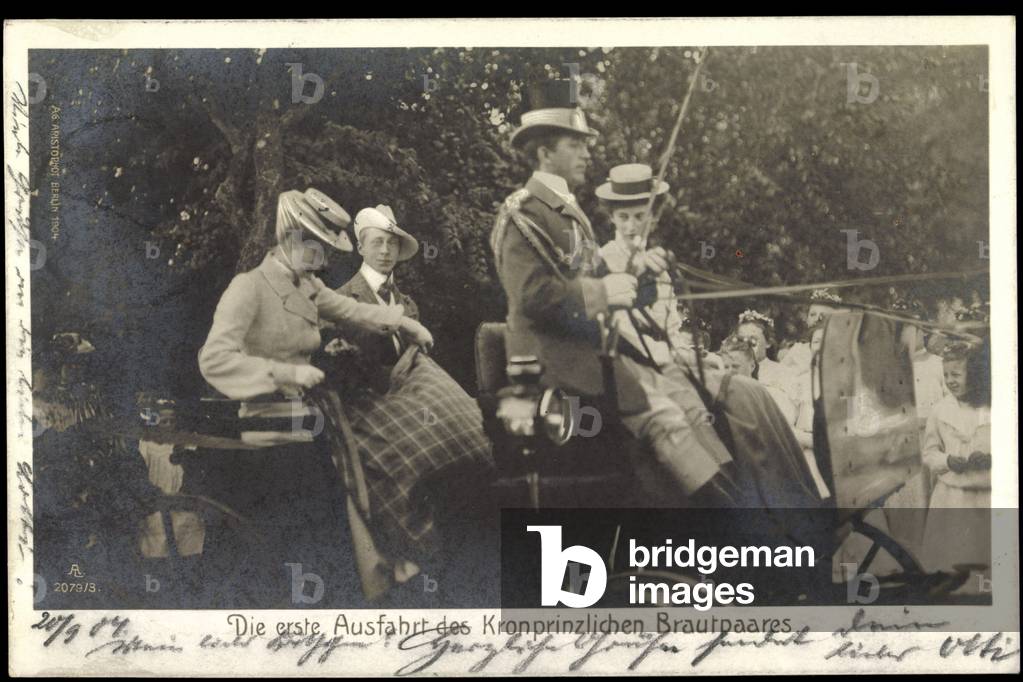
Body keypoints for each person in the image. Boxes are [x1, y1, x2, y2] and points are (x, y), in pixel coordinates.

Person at [491, 85, 822, 510]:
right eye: (575, 145)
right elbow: (531, 296)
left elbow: (600, 286)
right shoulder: (524, 212)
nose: (588, 153)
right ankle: (725, 517)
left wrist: (639, 278)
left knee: (688, 405)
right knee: (664, 415)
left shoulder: (566, 212)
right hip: (555, 360)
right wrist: (603, 290)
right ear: (544, 153)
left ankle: (744, 502)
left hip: (592, 353)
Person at [196, 188, 433, 605]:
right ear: (291, 239)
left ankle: (374, 573)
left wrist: (404, 324)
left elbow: (354, 310)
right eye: (318, 247)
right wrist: (287, 373)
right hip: (267, 426)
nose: (324, 259)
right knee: (314, 517)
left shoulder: (308, 287)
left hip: (308, 421)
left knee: (362, 477)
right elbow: (214, 359)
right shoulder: (249, 288)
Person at [324, 204, 494, 597]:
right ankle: (420, 547)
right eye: (377, 243)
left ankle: (475, 526)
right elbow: (343, 365)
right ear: (361, 248)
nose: (385, 251)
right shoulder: (341, 299)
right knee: (408, 456)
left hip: (413, 392)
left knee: (472, 429)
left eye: (392, 244)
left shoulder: (408, 303)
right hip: (371, 398)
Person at [919, 340, 992, 572]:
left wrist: (991, 458)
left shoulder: (992, 408)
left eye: (957, 374)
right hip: (951, 497)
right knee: (949, 561)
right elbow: (929, 453)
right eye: (946, 375)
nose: (950, 380)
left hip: (985, 496)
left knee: (984, 557)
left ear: (975, 374)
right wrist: (947, 461)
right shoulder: (940, 410)